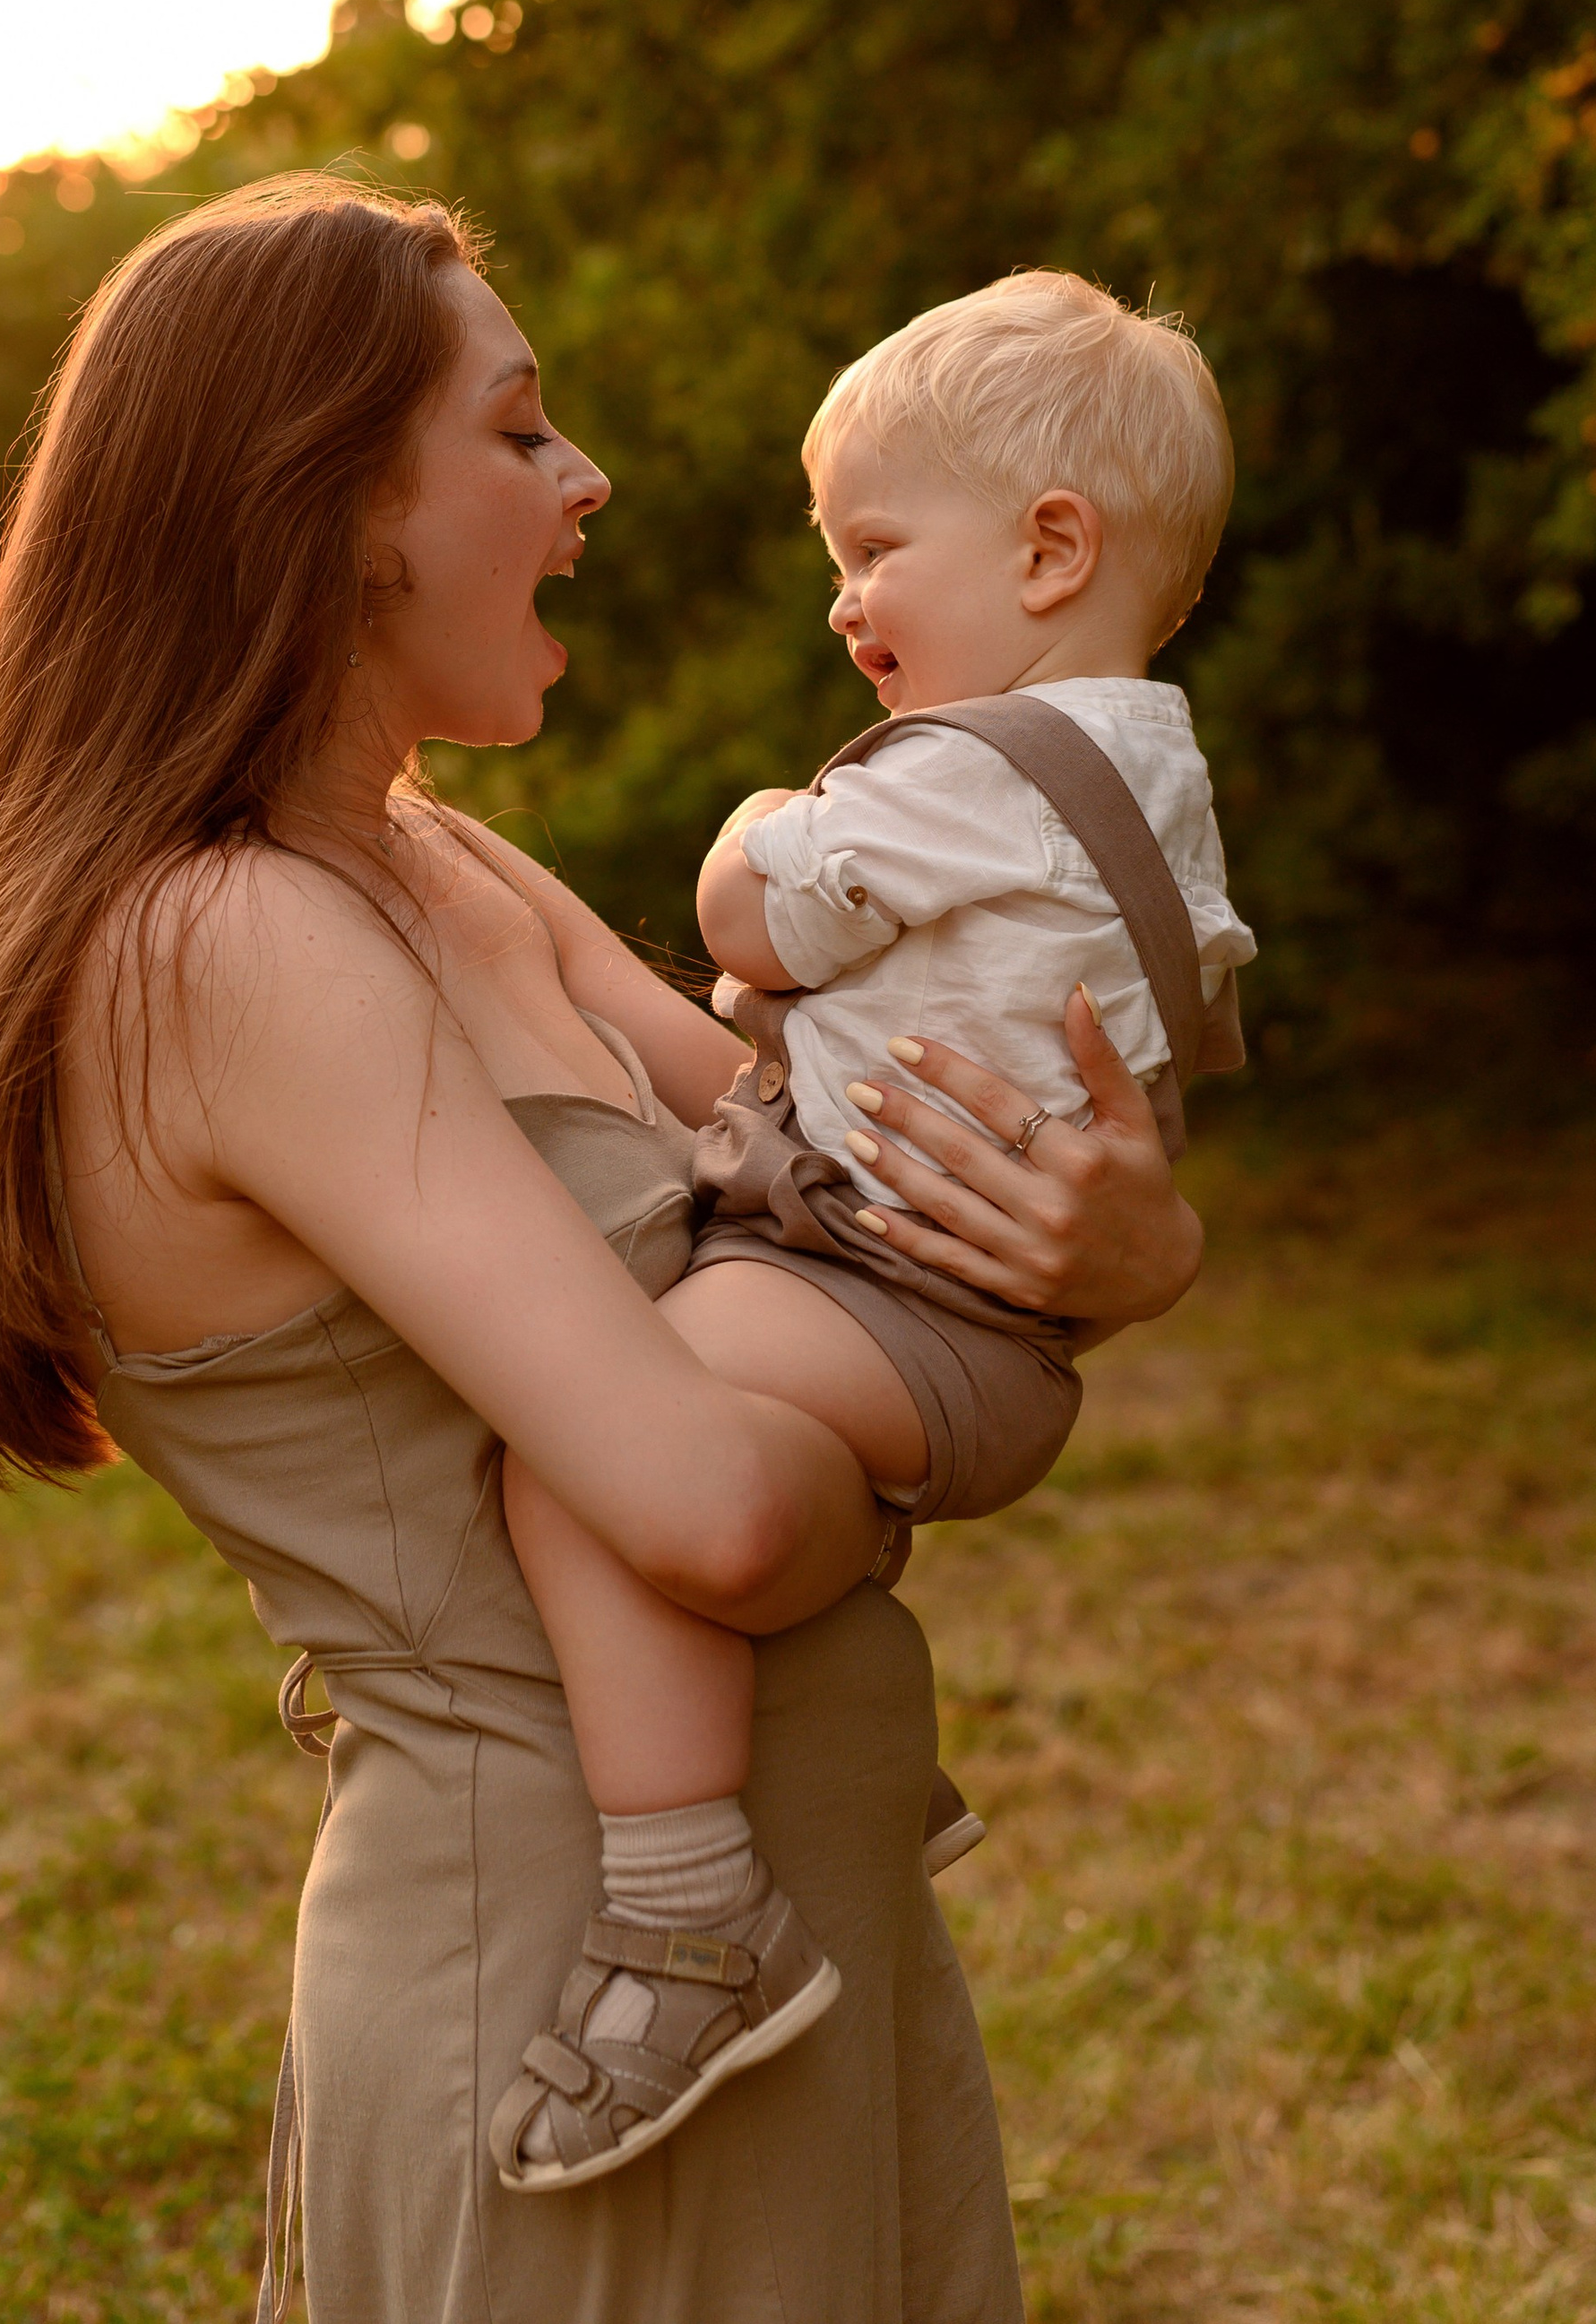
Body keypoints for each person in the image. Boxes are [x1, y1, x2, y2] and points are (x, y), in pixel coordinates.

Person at [0, 176, 1205, 2324]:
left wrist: (1127, 1244)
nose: (584, 479)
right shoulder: (227, 941)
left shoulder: (446, 867)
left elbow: (856, 1184)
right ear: (336, 503)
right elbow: (706, 1503)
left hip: (787, 1948)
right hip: (569, 1976)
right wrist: (935, 1454)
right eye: (518, 430)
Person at [492, 274, 1254, 2190]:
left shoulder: (967, 778)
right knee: (655, 1420)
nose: (841, 603)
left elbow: (754, 917)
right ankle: (833, 1727)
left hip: (896, 1296)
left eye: (871, 549)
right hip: (977, 1321)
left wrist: (753, 816)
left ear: (1049, 546)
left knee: (585, 1454)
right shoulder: (1151, 775)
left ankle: (686, 1912)